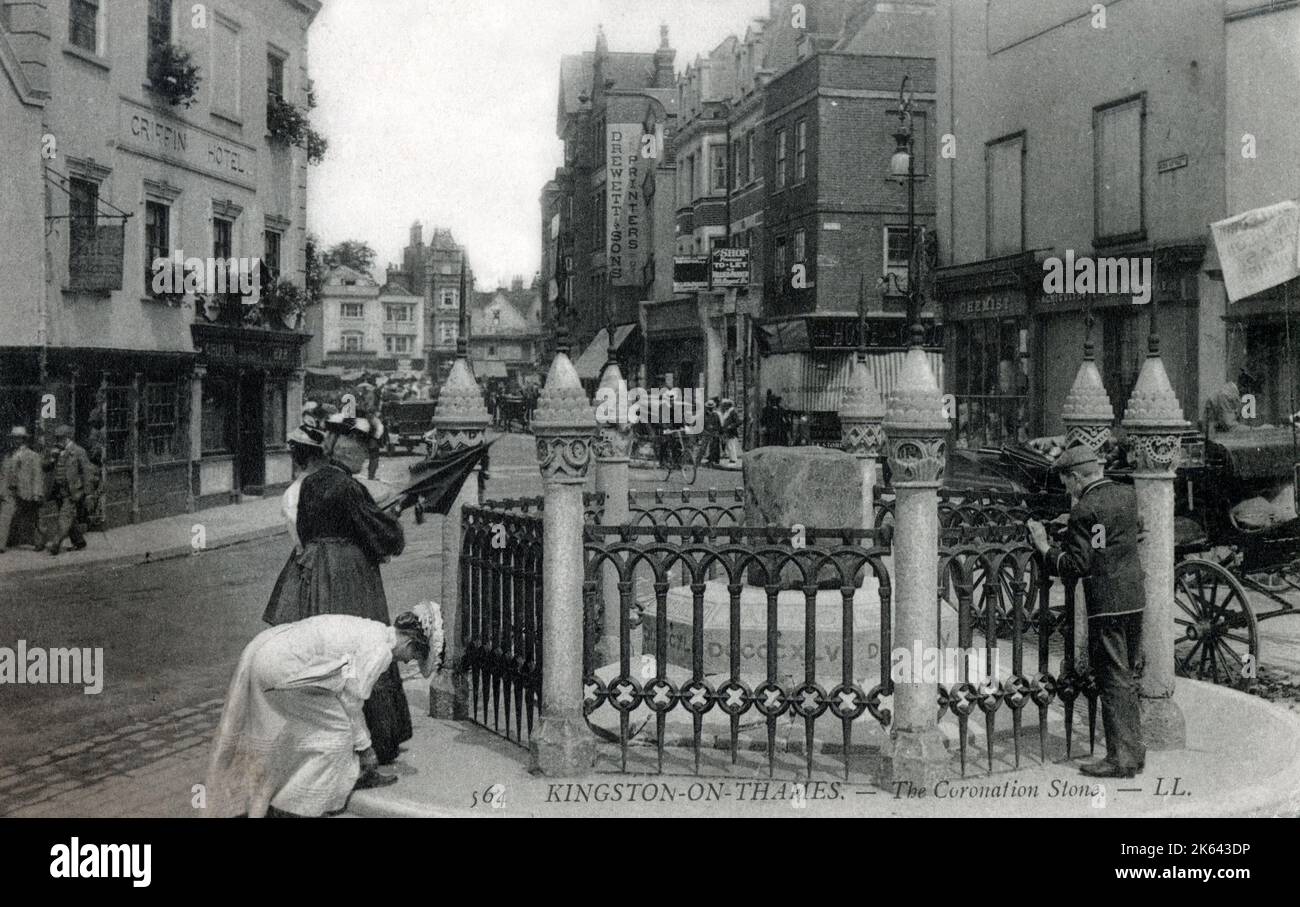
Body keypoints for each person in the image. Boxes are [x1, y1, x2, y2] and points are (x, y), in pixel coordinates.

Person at [263, 412, 412, 764]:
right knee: (364, 647)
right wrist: (394, 521)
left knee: (326, 654)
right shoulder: (348, 486)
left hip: (318, 575)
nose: (364, 458)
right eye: (361, 451)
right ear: (348, 451)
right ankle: (374, 742)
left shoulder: (313, 483)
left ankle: (325, 740)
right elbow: (381, 535)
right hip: (349, 574)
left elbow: (304, 529)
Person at [206, 603, 445, 818]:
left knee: (300, 731)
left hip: (271, 654)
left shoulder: (373, 631)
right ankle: (291, 807)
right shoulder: (380, 652)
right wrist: (365, 747)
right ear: (410, 642)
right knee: (336, 737)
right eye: (413, 656)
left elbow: (344, 685)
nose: (407, 662)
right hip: (285, 667)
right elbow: (352, 700)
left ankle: (272, 799)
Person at [1027, 445, 1146, 779]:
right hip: (1135, 596)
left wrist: (1045, 546)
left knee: (1112, 678)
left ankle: (1120, 760)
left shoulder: (1085, 508)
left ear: (1076, 477)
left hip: (1106, 604)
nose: (1067, 490)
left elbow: (1077, 565)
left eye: (1066, 483)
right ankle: (1135, 752)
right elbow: (1119, 533)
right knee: (1128, 675)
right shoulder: (1126, 494)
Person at [44, 424, 92, 556]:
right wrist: (52, 459)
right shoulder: (56, 451)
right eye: (56, 438)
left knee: (64, 517)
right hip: (58, 491)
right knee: (68, 517)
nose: (57, 441)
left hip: (72, 491)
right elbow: (45, 467)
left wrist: (87, 493)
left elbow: (87, 473)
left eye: (59, 438)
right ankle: (79, 541)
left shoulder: (78, 451)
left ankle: (56, 544)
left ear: (67, 438)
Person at [0, 427, 45, 553]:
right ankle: (0, 545)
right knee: (5, 515)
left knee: (34, 517)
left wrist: (37, 493)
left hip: (27, 490)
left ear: (24, 439)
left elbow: (37, 475)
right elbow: (3, 473)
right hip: (9, 490)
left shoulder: (32, 455)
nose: (15, 440)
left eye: (18, 438)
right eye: (13, 438)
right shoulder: (7, 455)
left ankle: (39, 542)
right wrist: (1, 489)